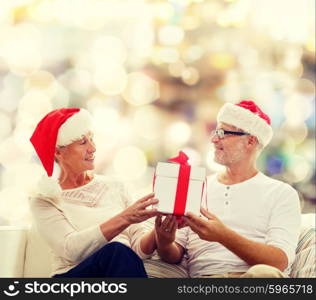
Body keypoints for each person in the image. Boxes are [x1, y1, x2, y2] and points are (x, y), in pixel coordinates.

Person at [154, 100, 301, 278]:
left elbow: (279, 261)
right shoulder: (197, 186)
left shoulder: (281, 193)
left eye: (222, 133)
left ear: (250, 141)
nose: (214, 139)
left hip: (255, 279)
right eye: (216, 132)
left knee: (264, 274)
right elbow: (174, 254)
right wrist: (164, 243)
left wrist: (223, 236)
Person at [29, 108, 158, 278]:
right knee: (116, 251)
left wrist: (159, 233)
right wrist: (125, 218)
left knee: (120, 254)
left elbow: (139, 250)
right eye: (83, 142)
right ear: (58, 152)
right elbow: (71, 249)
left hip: (118, 273)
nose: (93, 148)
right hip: (73, 279)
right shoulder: (45, 200)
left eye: (92, 139)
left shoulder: (116, 186)